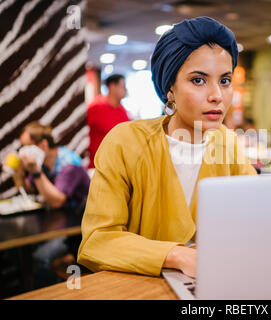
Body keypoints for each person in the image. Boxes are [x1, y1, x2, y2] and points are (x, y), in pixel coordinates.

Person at [77, 17, 257, 278]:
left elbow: (255, 219)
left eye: (225, 80)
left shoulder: (227, 141)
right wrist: (178, 255)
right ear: (170, 88)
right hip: (140, 289)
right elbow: (96, 241)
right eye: (198, 80)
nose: (217, 95)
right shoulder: (125, 142)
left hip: (217, 282)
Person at [16, 121, 91, 288]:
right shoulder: (44, 163)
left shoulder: (68, 164)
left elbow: (57, 200)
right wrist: (18, 170)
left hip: (80, 231)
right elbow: (27, 187)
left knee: (41, 258)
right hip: (60, 224)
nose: (23, 153)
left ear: (42, 145)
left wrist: (35, 171)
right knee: (20, 254)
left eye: (27, 147)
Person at [87, 74, 129, 169]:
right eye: (122, 86)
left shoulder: (123, 111)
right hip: (97, 165)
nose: (125, 90)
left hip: (117, 164)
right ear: (112, 86)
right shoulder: (96, 107)